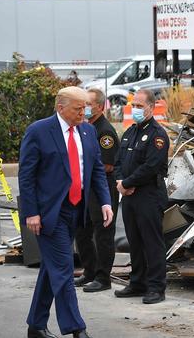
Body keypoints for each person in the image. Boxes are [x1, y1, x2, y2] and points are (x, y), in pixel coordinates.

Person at [19, 86, 113, 338]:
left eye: (86, 108)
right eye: (78, 108)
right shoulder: (39, 131)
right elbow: (26, 176)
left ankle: (36, 326)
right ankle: (76, 329)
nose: (84, 112)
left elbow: (94, 171)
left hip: (77, 210)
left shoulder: (88, 130)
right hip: (50, 214)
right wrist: (31, 213)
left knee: (51, 269)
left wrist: (105, 201)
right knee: (63, 269)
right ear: (60, 108)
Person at [113, 89, 169, 304]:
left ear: (151, 108)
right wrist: (120, 182)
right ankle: (137, 282)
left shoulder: (157, 134)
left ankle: (156, 288)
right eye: (133, 105)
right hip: (129, 197)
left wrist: (127, 183)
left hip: (148, 195)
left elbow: (151, 166)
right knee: (134, 241)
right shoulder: (130, 132)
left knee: (152, 243)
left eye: (139, 106)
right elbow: (118, 162)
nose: (135, 109)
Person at [74, 88, 120, 292]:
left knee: (103, 234)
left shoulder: (105, 132)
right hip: (86, 188)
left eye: (89, 104)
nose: (84, 108)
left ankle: (103, 278)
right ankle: (89, 271)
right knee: (82, 231)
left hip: (102, 187)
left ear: (100, 107)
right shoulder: (84, 128)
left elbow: (108, 165)